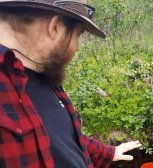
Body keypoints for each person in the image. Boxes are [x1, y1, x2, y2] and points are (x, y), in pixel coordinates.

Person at [0, 0, 141, 168]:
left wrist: (108, 153)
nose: (77, 47)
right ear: (56, 27)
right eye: (78, 35)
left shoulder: (42, 73)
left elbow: (64, 138)